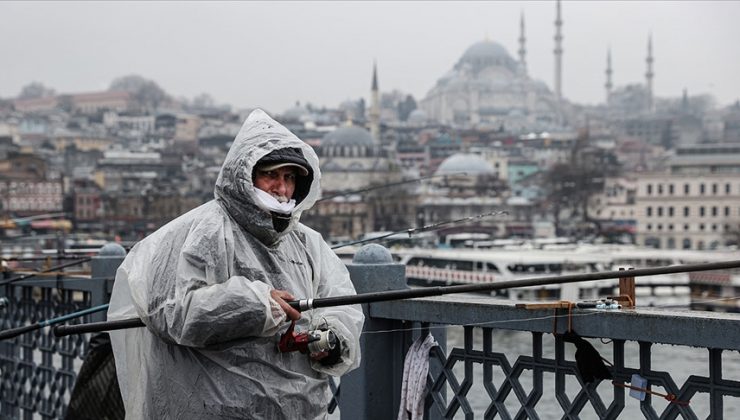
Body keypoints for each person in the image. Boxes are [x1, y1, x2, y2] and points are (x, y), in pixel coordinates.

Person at [107, 109, 365, 419]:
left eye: (289, 178)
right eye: (271, 175)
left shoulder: (307, 243)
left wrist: (332, 338)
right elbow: (169, 310)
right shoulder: (202, 231)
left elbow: (339, 304)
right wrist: (255, 305)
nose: (281, 189)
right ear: (246, 175)